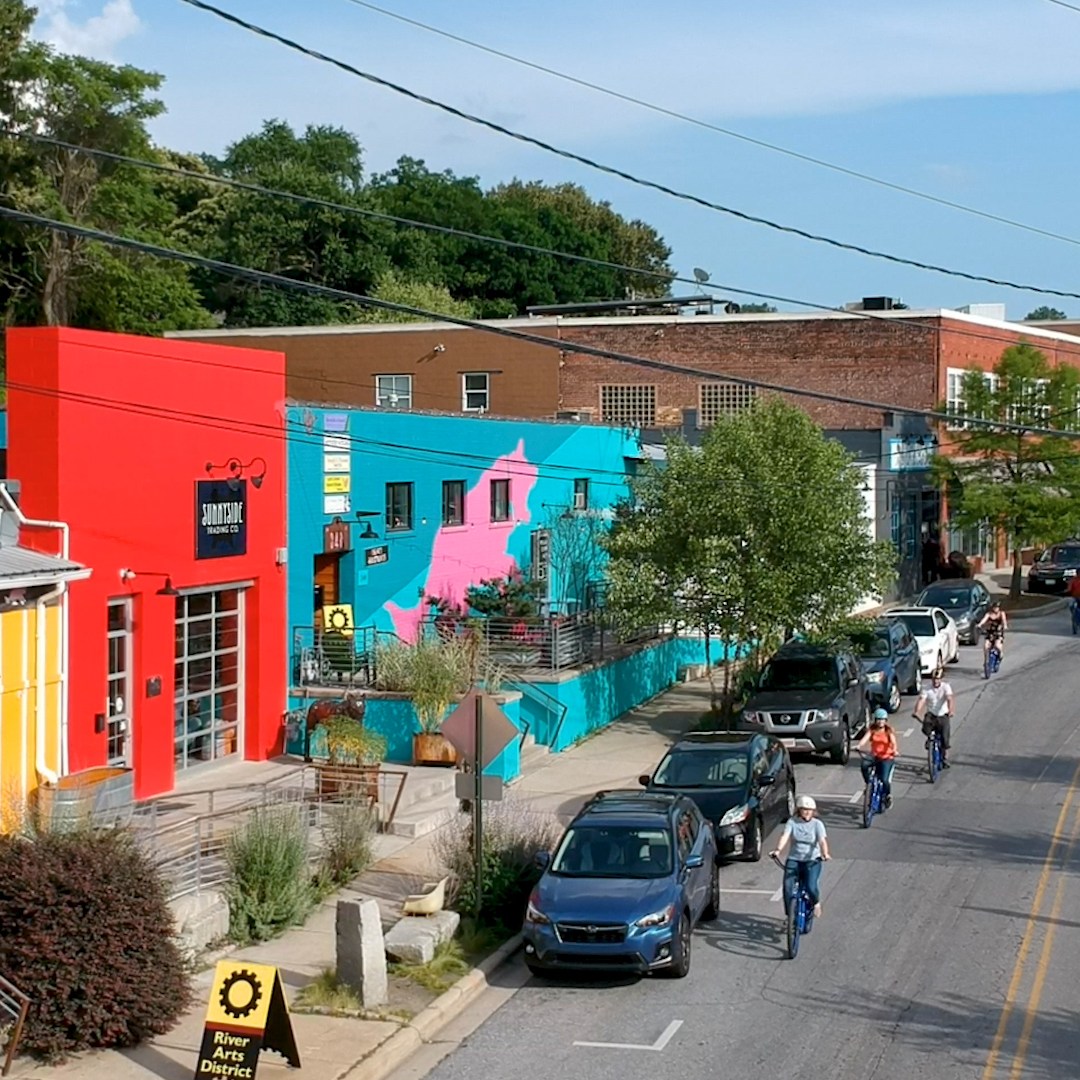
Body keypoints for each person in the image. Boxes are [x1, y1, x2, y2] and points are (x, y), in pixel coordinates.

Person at [770, 795, 831, 919]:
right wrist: (778, 850)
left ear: (813, 811)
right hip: (794, 859)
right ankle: (790, 916)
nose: (807, 812)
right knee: (787, 887)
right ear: (799, 810)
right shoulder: (792, 822)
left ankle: (816, 903)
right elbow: (785, 836)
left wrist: (825, 853)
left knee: (810, 886)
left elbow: (822, 841)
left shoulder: (817, 824)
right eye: (804, 809)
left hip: (812, 860)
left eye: (810, 810)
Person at [856, 708, 899, 808]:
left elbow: (893, 743)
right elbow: (865, 739)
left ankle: (888, 795)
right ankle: (869, 785)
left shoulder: (888, 731)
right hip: (875, 756)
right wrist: (859, 746)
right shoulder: (872, 730)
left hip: (886, 757)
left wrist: (894, 751)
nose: (880, 722)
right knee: (864, 765)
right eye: (878, 719)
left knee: (884, 780)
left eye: (883, 719)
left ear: (886, 720)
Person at [913, 667, 955, 768]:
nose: (935, 681)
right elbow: (921, 700)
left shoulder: (946, 687)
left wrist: (951, 710)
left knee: (945, 737)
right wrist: (917, 711)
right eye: (934, 679)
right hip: (931, 714)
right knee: (926, 725)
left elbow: (950, 699)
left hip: (943, 715)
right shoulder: (927, 688)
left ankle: (944, 758)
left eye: (938, 679)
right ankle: (929, 739)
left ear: (941, 679)